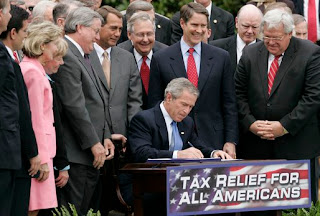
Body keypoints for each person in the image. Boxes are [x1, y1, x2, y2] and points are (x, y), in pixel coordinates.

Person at [234, 9, 320, 215]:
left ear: (290, 34)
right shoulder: (251, 53)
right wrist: (250, 123)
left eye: (277, 38)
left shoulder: (310, 53)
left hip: (296, 146)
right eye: (267, 37)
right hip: (257, 147)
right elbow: (238, 93)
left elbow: (313, 97)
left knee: (297, 210)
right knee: (256, 209)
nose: (271, 42)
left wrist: (284, 126)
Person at [148, 2, 238, 159]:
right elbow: (155, 103)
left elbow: (229, 103)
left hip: (213, 139)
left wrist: (230, 141)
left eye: (203, 25)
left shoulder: (221, 57)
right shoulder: (161, 58)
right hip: (174, 139)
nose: (199, 30)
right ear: (182, 23)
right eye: (195, 25)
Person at [51, 7, 115, 215]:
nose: (98, 38)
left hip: (91, 152)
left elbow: (99, 99)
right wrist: (93, 143)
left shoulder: (85, 54)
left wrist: (105, 136)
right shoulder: (68, 55)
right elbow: (74, 106)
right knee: (74, 209)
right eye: (95, 31)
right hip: (78, 152)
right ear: (79, 28)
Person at [94, 6, 142, 214]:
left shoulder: (126, 57)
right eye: (112, 28)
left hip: (122, 145)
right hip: (93, 141)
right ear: (98, 26)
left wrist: (132, 135)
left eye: (120, 29)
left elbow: (134, 100)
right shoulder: (84, 57)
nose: (117, 34)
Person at [130, 77, 232, 162]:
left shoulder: (187, 122)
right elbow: (141, 153)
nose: (186, 111)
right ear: (169, 97)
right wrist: (177, 155)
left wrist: (213, 153)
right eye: (184, 104)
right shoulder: (144, 119)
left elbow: (198, 147)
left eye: (190, 107)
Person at [0, 5, 41, 216]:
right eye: (25, 32)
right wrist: (32, 152)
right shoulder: (6, 61)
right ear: (13, 32)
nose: (27, 38)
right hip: (9, 151)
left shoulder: (12, 59)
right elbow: (19, 111)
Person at [20, 21, 63, 216]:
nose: (56, 49)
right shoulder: (32, 72)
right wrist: (42, 159)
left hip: (43, 150)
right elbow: (35, 118)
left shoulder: (35, 69)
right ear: (43, 44)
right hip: (39, 154)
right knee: (33, 208)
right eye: (54, 43)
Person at [118, 12, 167, 109]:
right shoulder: (119, 56)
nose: (145, 39)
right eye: (140, 34)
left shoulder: (166, 54)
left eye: (149, 34)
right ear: (129, 35)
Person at [210, 4, 263, 74]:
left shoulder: (266, 50)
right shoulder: (216, 48)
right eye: (246, 26)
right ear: (237, 22)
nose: (250, 31)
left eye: (254, 27)